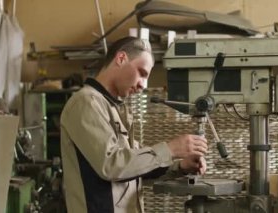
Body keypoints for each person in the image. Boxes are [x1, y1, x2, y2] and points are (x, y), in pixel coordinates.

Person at [60, 36, 208, 213]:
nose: (143, 85)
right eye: (142, 73)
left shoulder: (115, 108)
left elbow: (134, 166)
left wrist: (179, 166)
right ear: (121, 58)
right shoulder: (86, 103)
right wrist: (170, 149)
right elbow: (112, 165)